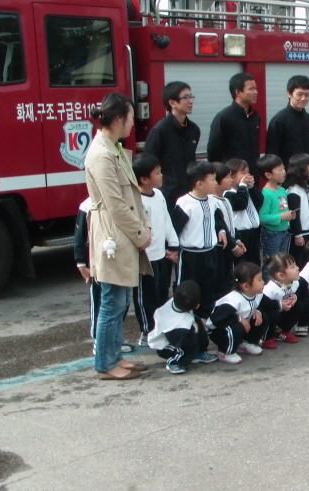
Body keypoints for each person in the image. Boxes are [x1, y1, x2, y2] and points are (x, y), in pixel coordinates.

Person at [84, 92, 153, 381]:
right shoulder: (101, 154)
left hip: (123, 234)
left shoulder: (113, 148)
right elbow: (115, 204)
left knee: (120, 302)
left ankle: (115, 357)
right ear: (117, 119)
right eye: (130, 117)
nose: (133, 122)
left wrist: (143, 228)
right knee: (111, 303)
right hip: (114, 235)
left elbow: (131, 197)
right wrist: (140, 234)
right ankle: (105, 364)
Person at [74, 198, 136, 353]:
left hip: (120, 262)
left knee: (122, 302)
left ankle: (116, 340)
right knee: (101, 303)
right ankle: (99, 342)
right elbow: (80, 236)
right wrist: (81, 264)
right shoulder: (88, 205)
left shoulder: (120, 200)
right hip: (100, 264)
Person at [172, 161, 232, 319]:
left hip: (210, 253)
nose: (216, 182)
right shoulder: (185, 203)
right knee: (188, 288)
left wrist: (221, 231)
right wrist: (172, 249)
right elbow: (175, 228)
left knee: (208, 287)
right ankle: (184, 318)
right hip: (190, 255)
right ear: (199, 184)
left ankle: (204, 318)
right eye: (212, 179)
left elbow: (217, 219)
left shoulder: (212, 201)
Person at [131, 153, 180, 347]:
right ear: (144, 179)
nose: (162, 176)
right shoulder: (136, 200)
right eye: (157, 173)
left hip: (161, 255)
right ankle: (147, 330)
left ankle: (159, 328)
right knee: (145, 298)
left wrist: (173, 245)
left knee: (161, 294)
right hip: (146, 259)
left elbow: (166, 221)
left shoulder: (158, 195)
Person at [143, 81, 200, 212]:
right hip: (168, 193)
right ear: (172, 103)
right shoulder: (160, 130)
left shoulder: (193, 129)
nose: (190, 101)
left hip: (190, 192)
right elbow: (148, 162)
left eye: (191, 96)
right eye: (185, 97)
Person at [207, 262, 280, 363]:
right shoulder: (233, 300)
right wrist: (239, 319)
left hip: (240, 326)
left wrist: (259, 310)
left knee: (262, 317)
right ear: (246, 286)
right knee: (236, 327)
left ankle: (244, 343)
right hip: (219, 331)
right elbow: (216, 319)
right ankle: (224, 352)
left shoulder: (256, 294)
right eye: (259, 280)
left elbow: (268, 304)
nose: (263, 282)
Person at [148, 280, 219, 374]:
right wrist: (194, 329)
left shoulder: (177, 301)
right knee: (190, 341)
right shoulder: (181, 325)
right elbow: (177, 340)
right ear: (197, 306)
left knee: (198, 323)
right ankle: (174, 361)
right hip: (166, 346)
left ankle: (198, 353)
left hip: (179, 329)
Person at [207, 73, 261, 184]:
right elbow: (213, 151)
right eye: (251, 89)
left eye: (255, 88)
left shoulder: (255, 117)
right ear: (238, 92)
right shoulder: (224, 117)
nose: (256, 92)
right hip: (232, 178)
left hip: (252, 176)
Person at [265, 75, 309, 167]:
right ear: (289, 94)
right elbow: (272, 153)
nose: (303, 98)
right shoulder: (279, 120)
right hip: (289, 172)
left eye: (307, 95)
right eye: (299, 94)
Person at [212, 162, 245, 295]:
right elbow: (221, 226)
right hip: (219, 248)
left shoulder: (225, 200)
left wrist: (237, 240)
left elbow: (231, 224)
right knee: (220, 281)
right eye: (227, 177)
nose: (231, 180)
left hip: (229, 246)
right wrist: (233, 246)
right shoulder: (212, 202)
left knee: (229, 278)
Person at [223, 158, 263, 266]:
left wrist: (252, 187)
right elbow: (241, 204)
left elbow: (259, 201)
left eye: (248, 172)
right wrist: (243, 186)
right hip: (240, 233)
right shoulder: (228, 193)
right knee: (242, 264)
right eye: (243, 173)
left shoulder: (245, 190)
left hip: (253, 232)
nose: (247, 175)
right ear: (232, 176)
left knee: (254, 262)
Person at [258, 155, 295, 268]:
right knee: (271, 263)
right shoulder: (266, 193)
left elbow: (282, 208)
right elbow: (263, 217)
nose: (284, 172)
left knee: (282, 262)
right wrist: (282, 217)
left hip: (284, 231)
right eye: (280, 169)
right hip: (272, 234)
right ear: (268, 175)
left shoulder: (282, 190)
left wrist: (290, 215)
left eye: (283, 168)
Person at [263, 252, 309, 341]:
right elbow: (265, 306)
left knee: (299, 305)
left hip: (283, 313)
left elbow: (302, 292)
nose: (297, 268)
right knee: (272, 315)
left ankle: (283, 331)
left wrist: (295, 297)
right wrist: (279, 305)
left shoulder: (295, 282)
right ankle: (267, 337)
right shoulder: (270, 289)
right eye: (292, 267)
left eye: (295, 265)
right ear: (281, 275)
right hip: (272, 315)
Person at [285, 153, 309, 268]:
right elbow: (295, 215)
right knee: (298, 263)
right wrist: (298, 234)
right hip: (300, 234)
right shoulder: (294, 190)